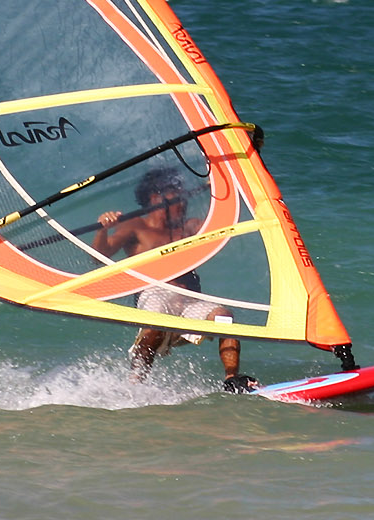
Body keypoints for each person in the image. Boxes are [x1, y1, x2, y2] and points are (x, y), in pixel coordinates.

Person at [92, 167, 257, 393]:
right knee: (155, 326)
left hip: (190, 299)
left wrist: (221, 188)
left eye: (184, 197)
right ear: (155, 199)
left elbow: (223, 225)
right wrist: (103, 229)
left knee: (224, 318)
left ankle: (232, 379)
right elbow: (98, 257)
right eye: (178, 198)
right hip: (154, 294)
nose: (184, 203)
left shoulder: (189, 227)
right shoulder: (135, 226)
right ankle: (135, 385)